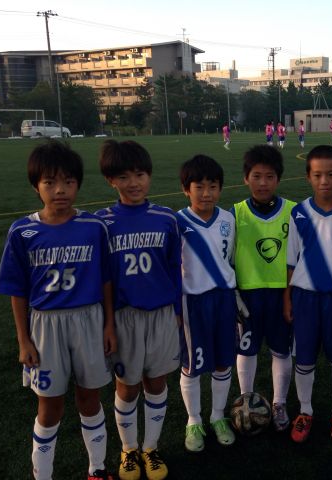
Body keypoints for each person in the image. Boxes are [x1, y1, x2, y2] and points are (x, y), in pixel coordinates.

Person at [0, 140, 116, 480]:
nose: (60, 190)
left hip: (89, 319)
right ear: (36, 186)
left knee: (90, 398)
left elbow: (107, 280)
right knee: (50, 405)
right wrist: (23, 340)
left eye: (68, 182)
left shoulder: (94, 227)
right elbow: (17, 291)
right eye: (50, 182)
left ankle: (97, 469)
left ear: (78, 184)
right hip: (45, 325)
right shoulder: (23, 231)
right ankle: (42, 474)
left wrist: (109, 325)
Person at [95, 140, 182, 480]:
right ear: (110, 181)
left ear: (150, 175)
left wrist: (176, 310)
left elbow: (174, 268)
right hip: (124, 317)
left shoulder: (166, 218)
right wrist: (108, 322)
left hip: (161, 313)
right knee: (127, 386)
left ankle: (151, 447)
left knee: (156, 383)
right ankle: (128, 449)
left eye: (140, 175)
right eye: (124, 177)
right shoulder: (102, 223)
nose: (134, 183)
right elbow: (102, 278)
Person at [283, 145, 332, 446]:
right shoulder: (299, 213)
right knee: (304, 357)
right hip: (305, 298)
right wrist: (287, 297)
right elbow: (291, 261)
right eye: (317, 175)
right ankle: (305, 411)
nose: (324, 181)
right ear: (308, 177)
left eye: (330, 174)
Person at [175, 154, 240, 452]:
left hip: (224, 300)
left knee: (223, 361)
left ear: (220, 188)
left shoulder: (228, 219)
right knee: (192, 365)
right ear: (186, 189)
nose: (206, 193)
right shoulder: (177, 222)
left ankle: (217, 416)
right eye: (199, 187)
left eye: (213, 186)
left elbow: (230, 259)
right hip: (193, 303)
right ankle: (193, 420)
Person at [232, 145, 296, 431]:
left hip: (282, 294)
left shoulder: (293, 212)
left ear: (278, 179)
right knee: (247, 349)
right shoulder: (236, 214)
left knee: (281, 350)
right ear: (246, 178)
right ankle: (246, 400)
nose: (263, 183)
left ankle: (279, 403)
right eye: (256, 176)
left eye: (269, 176)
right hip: (248, 296)